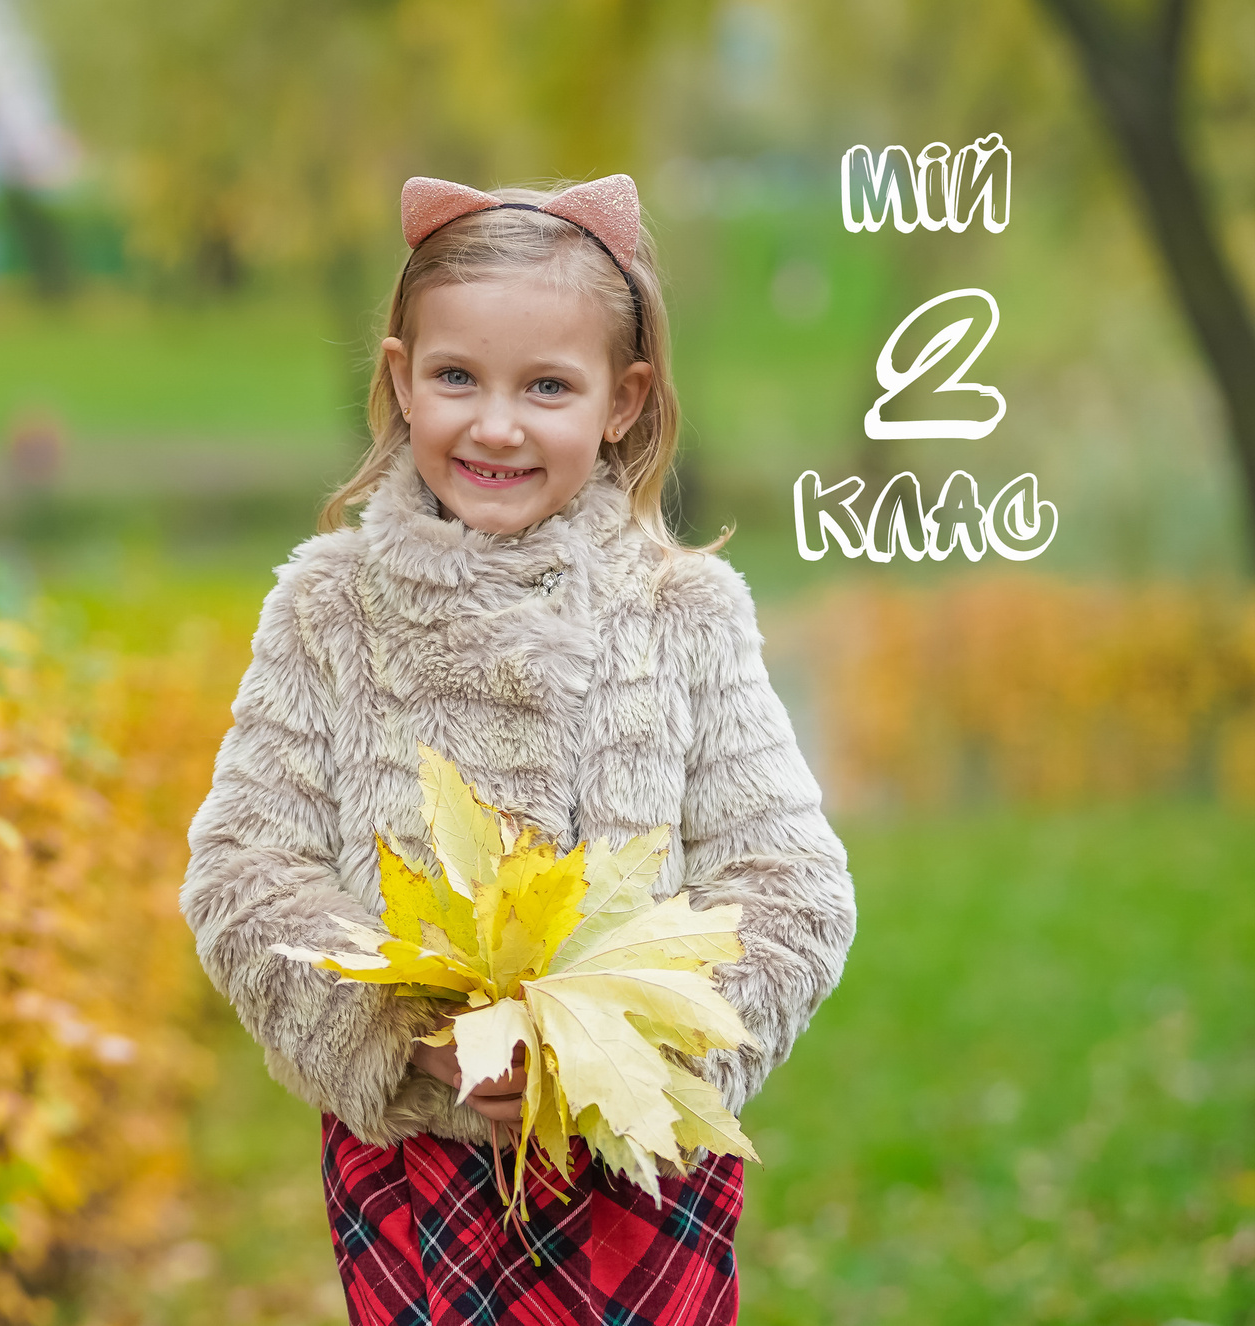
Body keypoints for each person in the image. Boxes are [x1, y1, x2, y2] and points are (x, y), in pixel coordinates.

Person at [180, 174, 856, 1325]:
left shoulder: (684, 613)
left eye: (546, 386)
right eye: (456, 379)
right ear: (399, 380)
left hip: (638, 1167)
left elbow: (791, 887)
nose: (495, 425)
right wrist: (421, 1043)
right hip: (418, 1164)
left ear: (623, 401)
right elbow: (243, 874)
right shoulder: (329, 611)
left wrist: (619, 1054)